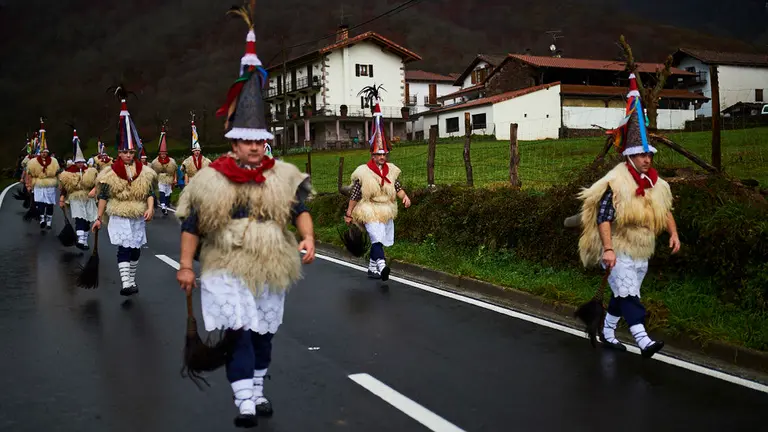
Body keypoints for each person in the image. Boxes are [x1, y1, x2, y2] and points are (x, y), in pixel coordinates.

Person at [176, 9, 315, 428]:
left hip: (271, 264)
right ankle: (245, 403)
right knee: (239, 330)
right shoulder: (210, 180)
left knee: (262, 334)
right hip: (226, 265)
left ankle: (257, 390)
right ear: (234, 143)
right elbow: (192, 224)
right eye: (246, 141)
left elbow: (300, 210)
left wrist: (307, 238)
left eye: (259, 141)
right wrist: (186, 265)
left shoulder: (283, 176)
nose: (254, 148)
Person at [577, 73, 680, 359]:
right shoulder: (616, 182)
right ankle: (643, 341)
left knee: (623, 294)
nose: (648, 159)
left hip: (642, 249)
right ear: (631, 156)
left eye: (650, 155)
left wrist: (673, 233)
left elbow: (664, 211)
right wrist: (608, 249)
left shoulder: (657, 184)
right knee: (630, 295)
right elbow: (604, 216)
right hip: (618, 247)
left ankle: (608, 333)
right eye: (642, 154)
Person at [92, 97, 156, 296]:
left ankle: (131, 279)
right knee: (124, 248)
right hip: (119, 213)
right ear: (119, 153)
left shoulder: (144, 172)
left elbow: (149, 192)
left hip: (137, 214)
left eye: (131, 152)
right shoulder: (109, 173)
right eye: (125, 152)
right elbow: (103, 196)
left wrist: (150, 208)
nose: (128, 155)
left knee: (136, 249)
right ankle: (126, 283)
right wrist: (98, 217)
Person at [344, 91, 410, 281]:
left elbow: (397, 188)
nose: (382, 157)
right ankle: (382, 267)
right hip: (368, 209)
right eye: (379, 154)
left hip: (385, 209)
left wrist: (405, 197)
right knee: (376, 238)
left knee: (380, 240)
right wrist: (349, 213)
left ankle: (372, 269)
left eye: (384, 154)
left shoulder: (391, 170)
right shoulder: (363, 172)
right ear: (373, 155)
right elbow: (355, 194)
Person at [58, 128, 98, 249]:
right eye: (78, 162)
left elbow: (96, 183)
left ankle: (84, 240)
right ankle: (80, 239)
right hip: (76, 197)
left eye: (82, 162)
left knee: (87, 219)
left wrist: (95, 190)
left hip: (88, 197)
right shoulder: (68, 173)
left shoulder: (90, 171)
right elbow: (65, 187)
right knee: (79, 217)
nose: (80, 164)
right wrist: (62, 197)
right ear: (75, 162)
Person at [25, 119, 60, 229]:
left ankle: (49, 221)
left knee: (49, 204)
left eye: (45, 152)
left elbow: (57, 173)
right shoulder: (33, 162)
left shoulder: (54, 161)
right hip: (39, 185)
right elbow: (29, 174)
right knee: (40, 203)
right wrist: (28, 185)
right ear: (40, 153)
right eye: (42, 152)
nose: (44, 154)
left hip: (50, 185)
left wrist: (60, 184)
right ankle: (41, 219)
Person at [150, 124, 177, 216]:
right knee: (162, 192)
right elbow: (153, 171)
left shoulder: (172, 161)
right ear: (159, 153)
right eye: (161, 153)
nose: (163, 155)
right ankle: (163, 207)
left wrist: (175, 179)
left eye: (164, 153)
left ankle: (166, 204)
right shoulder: (155, 162)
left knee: (167, 194)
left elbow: (174, 170)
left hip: (169, 178)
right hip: (160, 178)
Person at [181, 115, 211, 185]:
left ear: (200, 151)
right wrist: (186, 182)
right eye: (195, 150)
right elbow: (186, 172)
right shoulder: (188, 161)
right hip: (192, 181)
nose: (197, 152)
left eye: (198, 150)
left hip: (202, 181)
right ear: (193, 151)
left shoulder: (206, 160)